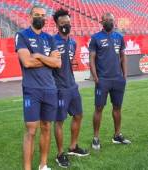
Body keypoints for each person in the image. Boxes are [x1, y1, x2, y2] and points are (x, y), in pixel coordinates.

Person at [15, 5, 61, 170]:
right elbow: (27, 62)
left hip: (50, 89)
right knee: (31, 131)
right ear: (30, 17)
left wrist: (40, 56)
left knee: (46, 127)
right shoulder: (22, 35)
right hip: (31, 90)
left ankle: (43, 165)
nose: (40, 18)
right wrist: (48, 59)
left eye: (42, 15)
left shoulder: (50, 38)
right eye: (36, 15)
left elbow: (58, 63)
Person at [52, 8, 89, 168]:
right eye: (62, 23)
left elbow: (69, 64)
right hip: (58, 88)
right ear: (57, 24)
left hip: (72, 86)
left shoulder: (73, 42)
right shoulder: (51, 41)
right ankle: (60, 154)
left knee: (79, 115)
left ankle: (73, 147)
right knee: (59, 121)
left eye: (68, 22)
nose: (66, 25)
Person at [89, 12, 131, 150]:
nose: (109, 22)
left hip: (118, 79)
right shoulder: (95, 38)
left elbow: (123, 56)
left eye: (111, 20)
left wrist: (124, 75)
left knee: (117, 108)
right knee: (99, 108)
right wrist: (95, 77)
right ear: (101, 21)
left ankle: (117, 135)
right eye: (106, 20)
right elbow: (92, 59)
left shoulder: (119, 37)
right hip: (103, 80)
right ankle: (95, 138)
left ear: (114, 21)